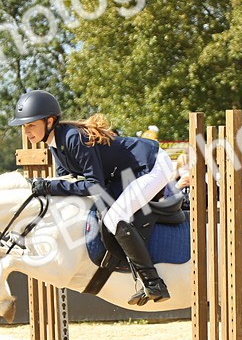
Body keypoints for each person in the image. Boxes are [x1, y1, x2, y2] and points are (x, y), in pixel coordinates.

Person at [10, 89, 174, 305]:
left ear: (50, 121)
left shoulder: (72, 138)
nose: (26, 131)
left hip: (150, 166)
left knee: (115, 217)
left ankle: (153, 283)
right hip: (122, 175)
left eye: (31, 125)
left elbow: (93, 185)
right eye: (24, 126)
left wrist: (48, 187)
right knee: (101, 211)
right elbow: (68, 182)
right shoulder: (55, 145)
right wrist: (48, 188)